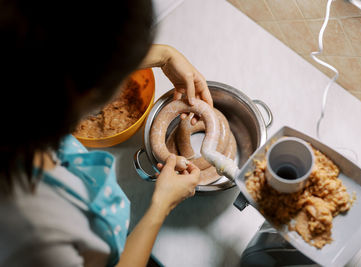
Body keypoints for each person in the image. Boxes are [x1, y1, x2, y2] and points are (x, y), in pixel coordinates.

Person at [0, 0, 212, 266]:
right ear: (88, 91)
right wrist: (161, 206)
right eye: (122, 73)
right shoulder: (38, 231)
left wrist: (165, 55)